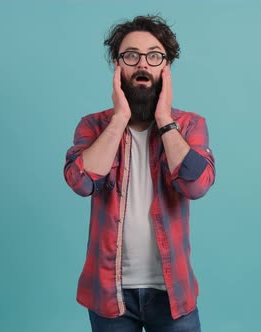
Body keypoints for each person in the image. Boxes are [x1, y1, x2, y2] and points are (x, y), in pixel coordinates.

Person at [63, 15, 216, 332]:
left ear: (166, 68)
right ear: (117, 66)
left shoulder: (189, 125)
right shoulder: (93, 125)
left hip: (173, 293)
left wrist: (164, 117)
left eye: (154, 56)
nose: (142, 65)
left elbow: (196, 185)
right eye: (130, 56)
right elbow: (81, 181)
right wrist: (119, 119)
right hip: (109, 295)